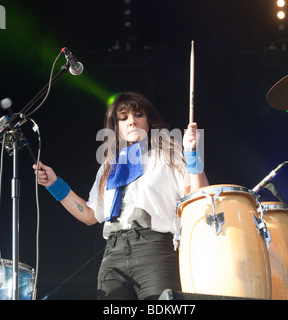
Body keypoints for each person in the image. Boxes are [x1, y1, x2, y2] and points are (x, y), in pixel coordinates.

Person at [33, 92, 208, 299]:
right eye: (123, 118)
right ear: (116, 127)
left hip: (154, 249)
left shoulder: (168, 152)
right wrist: (55, 184)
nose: (131, 122)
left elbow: (198, 197)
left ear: (148, 120)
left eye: (138, 115)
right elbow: (90, 215)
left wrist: (193, 156)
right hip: (113, 254)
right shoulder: (109, 167)